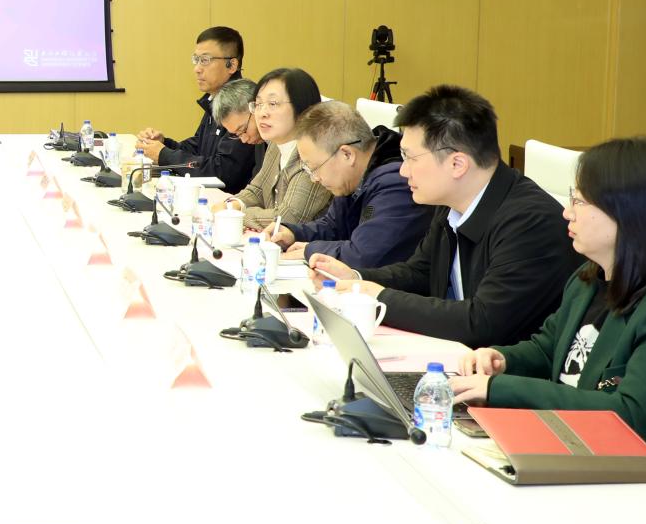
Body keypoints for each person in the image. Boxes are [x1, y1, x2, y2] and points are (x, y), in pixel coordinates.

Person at [450, 138, 646, 508]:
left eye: (581, 202)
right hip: (586, 460)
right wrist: (501, 359)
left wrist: (500, 389)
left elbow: (629, 417)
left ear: (627, 212)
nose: (567, 213)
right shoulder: (589, 278)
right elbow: (548, 348)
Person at [307, 85, 575, 347]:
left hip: (506, 370)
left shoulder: (530, 223)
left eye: (410, 158)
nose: (403, 171)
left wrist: (380, 297)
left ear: (457, 164)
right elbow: (420, 272)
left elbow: (482, 322)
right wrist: (356, 279)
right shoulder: (452, 202)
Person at [269, 100, 428, 269]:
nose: (314, 178)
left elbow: (364, 256)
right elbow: (334, 227)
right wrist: (294, 233)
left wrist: (310, 250)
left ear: (347, 154)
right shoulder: (353, 179)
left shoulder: (396, 182)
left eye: (314, 168)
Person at [224, 67, 331, 228]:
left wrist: (234, 215)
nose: (262, 113)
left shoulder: (317, 153)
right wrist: (233, 204)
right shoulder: (276, 143)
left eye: (272, 104)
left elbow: (288, 218)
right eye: (258, 104)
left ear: (301, 107)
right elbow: (257, 189)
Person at [137, 26, 243, 173]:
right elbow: (197, 149)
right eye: (196, 60)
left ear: (231, 65)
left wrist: (164, 155)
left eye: (205, 60)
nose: (197, 69)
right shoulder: (215, 99)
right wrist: (164, 144)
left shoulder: (240, 105)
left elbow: (222, 171)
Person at [207, 78, 266, 195]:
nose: (244, 139)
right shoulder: (260, 142)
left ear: (256, 107)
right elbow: (257, 189)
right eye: (236, 135)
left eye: (243, 129)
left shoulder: (276, 140)